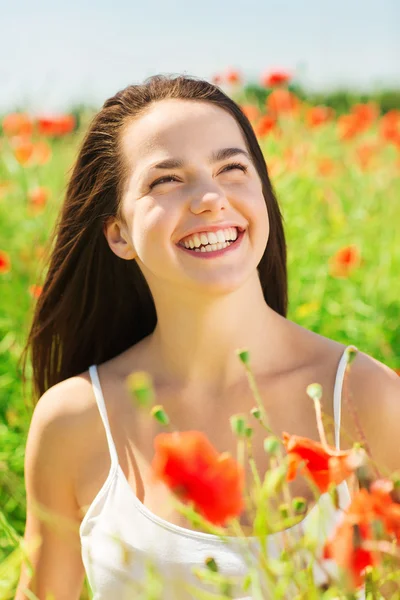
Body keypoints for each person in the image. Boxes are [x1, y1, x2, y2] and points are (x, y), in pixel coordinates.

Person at [16, 74, 399, 600]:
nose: (211, 197)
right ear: (118, 233)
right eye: (166, 180)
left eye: (232, 169)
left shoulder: (364, 398)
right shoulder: (75, 420)